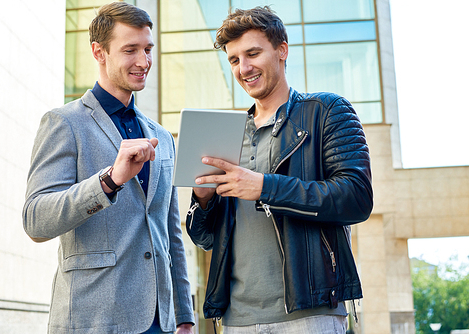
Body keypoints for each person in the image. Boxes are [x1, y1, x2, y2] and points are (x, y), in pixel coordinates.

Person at [186, 6, 373, 334]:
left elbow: (356, 197)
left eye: (253, 53)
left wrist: (265, 188)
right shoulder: (227, 134)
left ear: (282, 50)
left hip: (309, 316)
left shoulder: (327, 111)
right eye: (233, 60)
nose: (244, 68)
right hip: (235, 321)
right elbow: (204, 238)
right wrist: (203, 199)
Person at [22, 2, 194, 333]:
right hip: (94, 320)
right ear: (99, 52)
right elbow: (35, 220)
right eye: (130, 50)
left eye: (147, 49)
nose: (144, 61)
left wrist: (184, 316)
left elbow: (170, 233)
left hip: (161, 322)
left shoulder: (161, 137)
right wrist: (109, 181)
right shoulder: (64, 124)